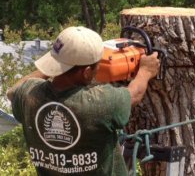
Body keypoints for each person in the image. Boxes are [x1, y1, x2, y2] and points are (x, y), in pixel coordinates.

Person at [6, 26, 160, 176]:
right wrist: (146, 71)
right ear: (86, 72)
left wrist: (56, 64)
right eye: (96, 67)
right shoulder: (99, 102)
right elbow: (134, 94)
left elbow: (12, 92)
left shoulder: (29, 95)